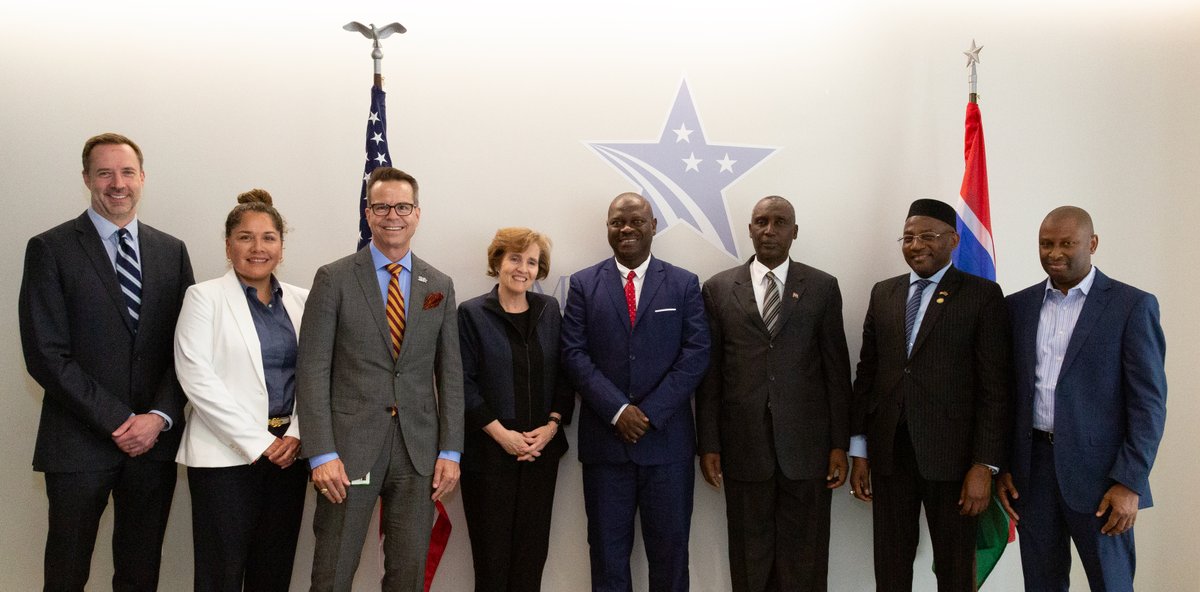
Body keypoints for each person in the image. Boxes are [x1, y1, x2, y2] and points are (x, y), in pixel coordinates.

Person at [18, 132, 195, 590]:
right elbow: (45, 354)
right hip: (78, 443)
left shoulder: (170, 252)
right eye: (105, 173)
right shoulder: (50, 249)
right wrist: (120, 421)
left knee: (140, 572)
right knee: (66, 572)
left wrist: (157, 417)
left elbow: (188, 350)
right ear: (86, 179)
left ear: (142, 178)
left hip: (153, 447)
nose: (118, 183)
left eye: (127, 172)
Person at [297, 166, 464, 591]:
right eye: (382, 206)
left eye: (403, 206)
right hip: (347, 454)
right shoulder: (333, 278)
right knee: (333, 571)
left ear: (417, 213)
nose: (394, 215)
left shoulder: (438, 284)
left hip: (417, 453)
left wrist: (451, 451)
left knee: (408, 575)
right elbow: (312, 369)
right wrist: (321, 453)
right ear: (368, 214)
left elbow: (450, 375)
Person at [997, 206, 1166, 591]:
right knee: (1041, 583)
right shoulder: (1016, 307)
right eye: (1046, 244)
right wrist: (1005, 465)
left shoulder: (1131, 306)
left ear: (1092, 244)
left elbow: (1149, 405)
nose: (1054, 253)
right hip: (1032, 473)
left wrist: (1130, 482)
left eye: (1066, 244)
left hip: (1103, 480)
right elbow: (1008, 394)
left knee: (1112, 584)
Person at [848, 198, 1010, 591]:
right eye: (907, 237)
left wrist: (984, 465)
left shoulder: (982, 295)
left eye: (926, 236)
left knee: (956, 570)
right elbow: (867, 374)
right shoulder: (883, 292)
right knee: (890, 567)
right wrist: (859, 450)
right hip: (890, 454)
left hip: (954, 461)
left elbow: (995, 387)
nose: (915, 245)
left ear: (953, 240)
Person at [696, 195, 853, 592]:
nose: (769, 230)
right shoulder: (717, 289)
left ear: (794, 232)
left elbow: (837, 372)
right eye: (761, 222)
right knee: (750, 559)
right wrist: (708, 443)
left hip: (808, 449)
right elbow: (711, 375)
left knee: (806, 558)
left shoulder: (822, 286)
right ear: (750, 229)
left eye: (779, 222)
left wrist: (839, 444)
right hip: (742, 446)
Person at [561, 192, 710, 592]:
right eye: (617, 222)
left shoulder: (683, 283)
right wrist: (617, 410)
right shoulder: (582, 284)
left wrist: (648, 413)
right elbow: (573, 354)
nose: (626, 228)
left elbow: (696, 355)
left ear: (653, 226)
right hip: (606, 449)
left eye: (636, 221)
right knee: (608, 559)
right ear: (608, 227)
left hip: (667, 447)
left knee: (671, 557)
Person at [174, 189, 309, 591]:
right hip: (225, 460)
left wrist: (298, 433)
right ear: (228, 245)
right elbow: (196, 376)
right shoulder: (203, 298)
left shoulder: (304, 301)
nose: (257, 247)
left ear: (282, 247)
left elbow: (319, 376)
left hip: (289, 457)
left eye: (268, 237)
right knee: (221, 576)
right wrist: (259, 442)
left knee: (273, 573)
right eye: (245, 237)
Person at [457, 227, 576, 592]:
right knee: (492, 564)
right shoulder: (471, 313)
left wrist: (553, 426)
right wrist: (501, 435)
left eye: (531, 261)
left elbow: (565, 372)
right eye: (514, 258)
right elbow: (462, 382)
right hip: (488, 458)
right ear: (498, 262)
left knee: (530, 560)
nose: (522, 268)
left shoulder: (549, 310)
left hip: (540, 455)